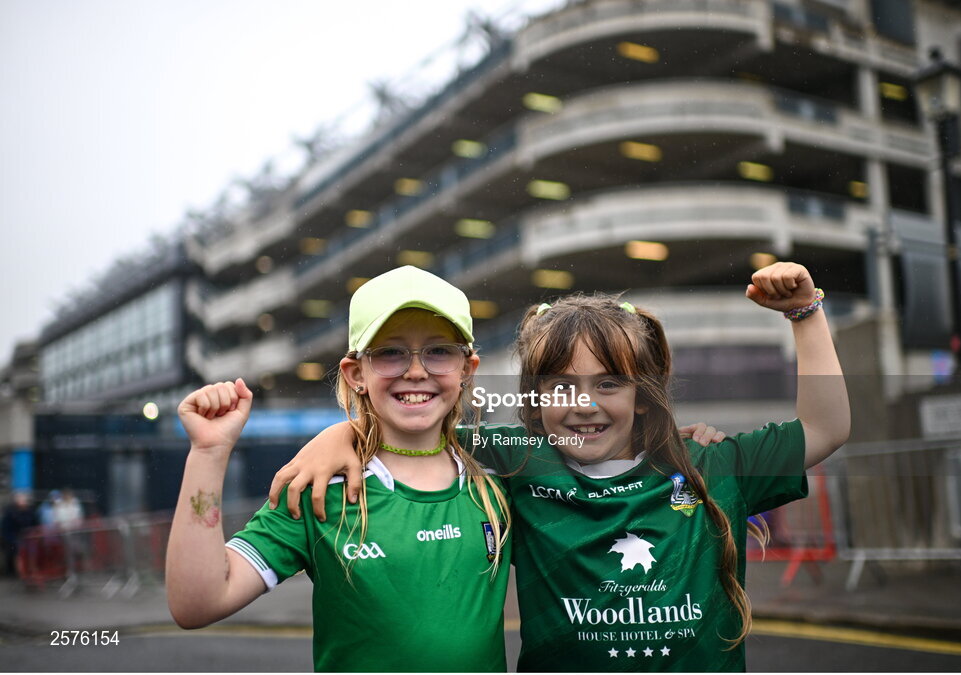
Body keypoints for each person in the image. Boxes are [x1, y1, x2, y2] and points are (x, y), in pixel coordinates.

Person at [271, 261, 850, 671]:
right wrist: (343, 432)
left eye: (609, 384)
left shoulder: (710, 465)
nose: (583, 404)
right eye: (561, 387)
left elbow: (825, 430)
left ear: (643, 393)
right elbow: (418, 414)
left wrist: (806, 313)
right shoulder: (517, 461)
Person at [165, 266, 512, 672]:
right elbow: (197, 603)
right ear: (356, 373)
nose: (416, 371)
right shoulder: (318, 487)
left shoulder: (503, 479)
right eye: (389, 352)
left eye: (439, 351)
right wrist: (208, 454)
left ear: (467, 370)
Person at [1, 491, 38, 576]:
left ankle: (32, 570)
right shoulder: (10, 513)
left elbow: (35, 524)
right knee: (17, 554)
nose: (23, 501)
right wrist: (12, 539)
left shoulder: (31, 512)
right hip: (15, 539)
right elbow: (6, 529)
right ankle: (20, 573)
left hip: (29, 538)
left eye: (24, 499)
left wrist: (33, 533)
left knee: (32, 553)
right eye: (20, 499)